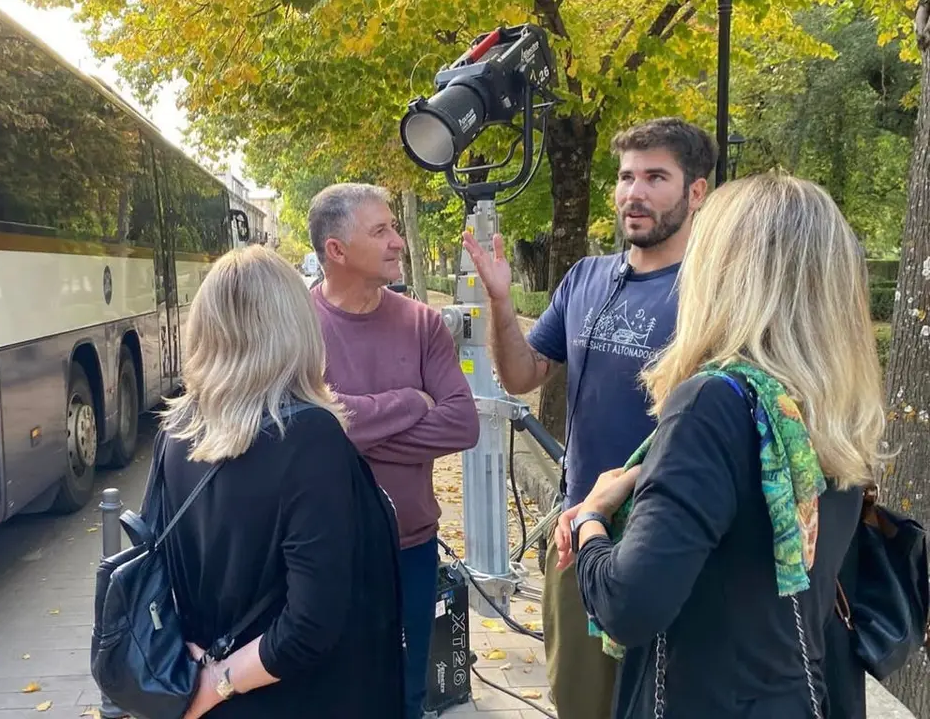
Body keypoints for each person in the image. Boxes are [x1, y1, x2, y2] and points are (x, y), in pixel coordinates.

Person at [561, 172, 885, 718]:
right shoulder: (833, 407)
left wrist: (590, 519)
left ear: (722, 273)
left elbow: (629, 604)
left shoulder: (712, 406)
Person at [463, 117, 716, 718]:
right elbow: (522, 376)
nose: (636, 192)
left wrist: (616, 494)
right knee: (581, 703)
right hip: (577, 536)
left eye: (657, 177)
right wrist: (501, 303)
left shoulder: (716, 292)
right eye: (628, 176)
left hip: (669, 542)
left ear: (696, 192)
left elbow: (716, 420)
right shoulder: (586, 278)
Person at [151, 246, 404, 719]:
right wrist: (217, 684)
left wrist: (200, 682)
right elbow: (311, 623)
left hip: (203, 695)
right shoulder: (308, 436)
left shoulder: (176, 428)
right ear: (296, 327)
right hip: (297, 697)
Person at [307, 183, 479, 719]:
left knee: (407, 691)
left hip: (411, 546)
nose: (398, 242)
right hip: (321, 549)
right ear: (336, 250)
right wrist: (410, 400)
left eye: (394, 228)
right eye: (380, 231)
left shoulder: (422, 322)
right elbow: (302, 432)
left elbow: (462, 425)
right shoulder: (295, 327)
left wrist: (349, 427)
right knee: (327, 686)